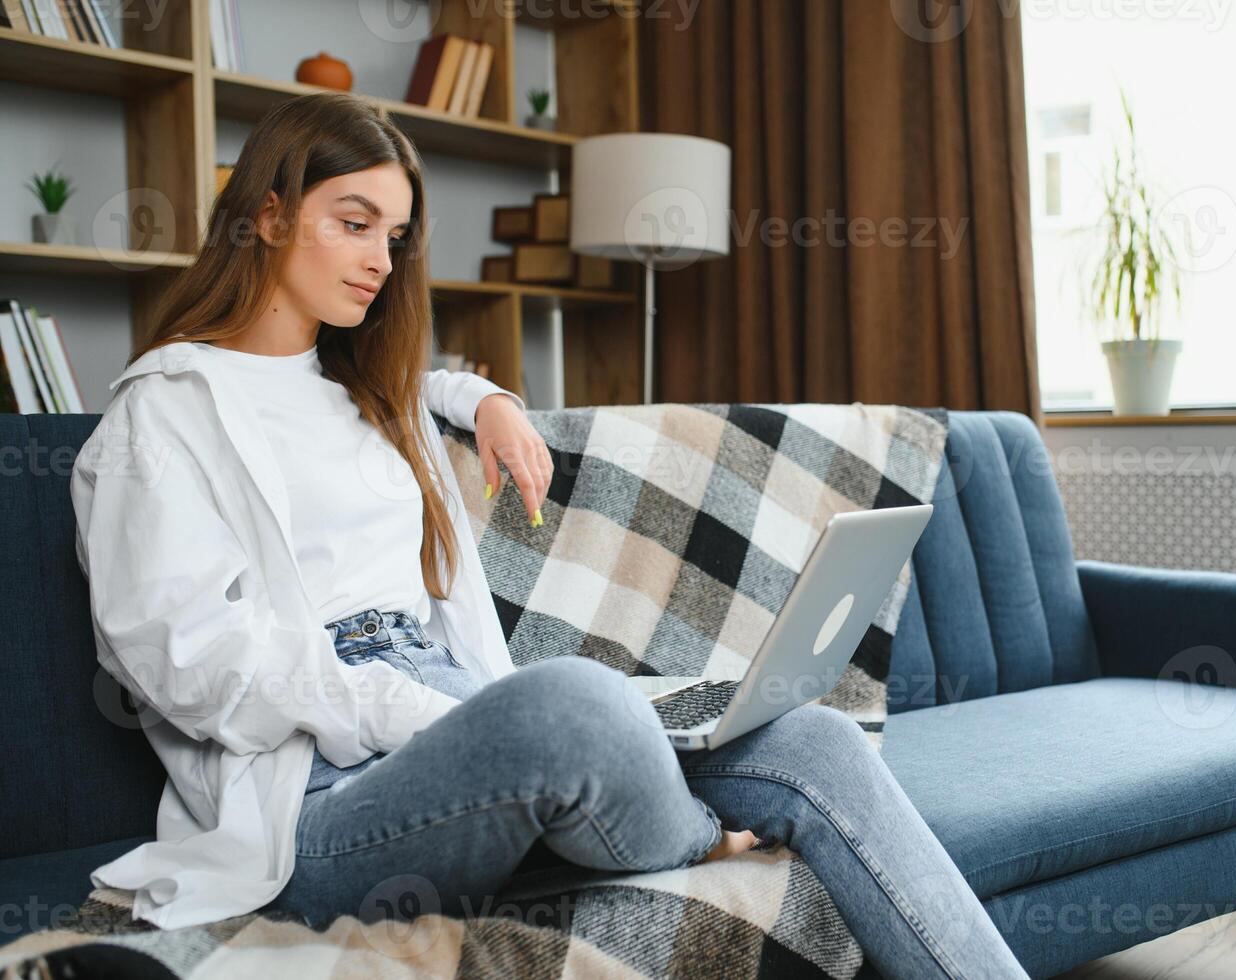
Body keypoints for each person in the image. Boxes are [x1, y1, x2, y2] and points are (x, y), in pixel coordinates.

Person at [70, 92, 1028, 980]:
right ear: (269, 216)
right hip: (320, 798)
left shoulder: (365, 392)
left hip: (449, 714)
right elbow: (186, 661)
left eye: (395, 237)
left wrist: (485, 398)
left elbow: (420, 386)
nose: (378, 259)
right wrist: (417, 712)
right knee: (572, 699)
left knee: (815, 740)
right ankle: (693, 834)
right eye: (352, 223)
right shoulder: (162, 414)